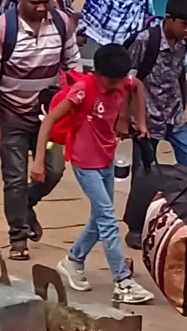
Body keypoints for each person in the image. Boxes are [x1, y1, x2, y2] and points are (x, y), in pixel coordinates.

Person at [0, 0, 82, 261]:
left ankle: (25, 205)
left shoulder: (61, 24)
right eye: (35, 2)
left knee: (54, 170)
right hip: (11, 117)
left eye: (46, 2)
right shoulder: (1, 30)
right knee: (14, 178)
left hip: (49, 117)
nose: (41, 8)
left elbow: (73, 66)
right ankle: (18, 238)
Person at [40, 43, 156, 305]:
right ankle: (122, 281)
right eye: (113, 81)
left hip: (106, 158)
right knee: (107, 219)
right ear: (99, 73)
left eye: (120, 80)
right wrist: (38, 161)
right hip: (85, 162)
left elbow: (137, 86)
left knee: (100, 217)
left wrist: (140, 122)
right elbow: (49, 120)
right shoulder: (83, 90)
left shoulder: (123, 82)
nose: (118, 86)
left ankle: (73, 260)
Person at [128, 0, 187, 174]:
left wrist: (182, 102)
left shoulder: (184, 40)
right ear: (169, 19)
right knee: (144, 173)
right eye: (184, 24)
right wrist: (128, 118)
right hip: (147, 120)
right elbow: (127, 80)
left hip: (174, 115)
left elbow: (180, 71)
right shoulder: (145, 40)